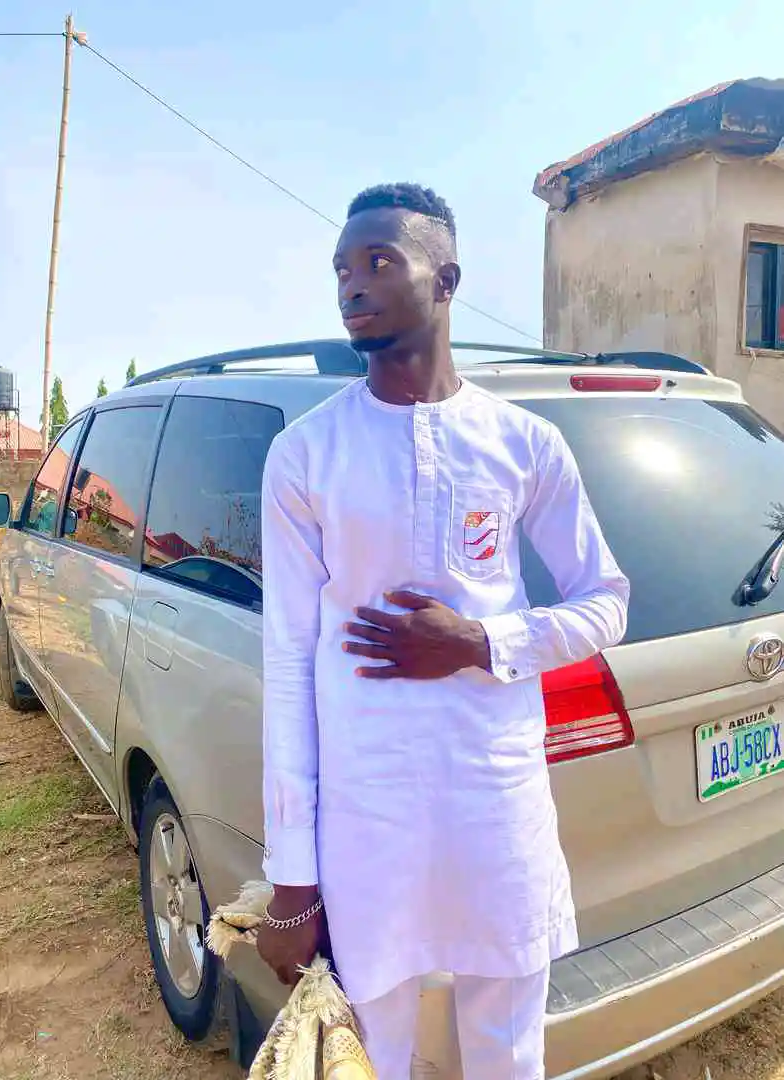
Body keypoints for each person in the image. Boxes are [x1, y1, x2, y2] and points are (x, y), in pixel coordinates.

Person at [257, 183, 629, 1080]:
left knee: (508, 1049)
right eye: (342, 269)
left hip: (495, 798)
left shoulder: (523, 443)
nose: (352, 284)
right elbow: (290, 661)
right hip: (366, 813)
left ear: (447, 279)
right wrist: (292, 876)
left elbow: (606, 601)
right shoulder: (306, 453)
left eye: (379, 261)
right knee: (368, 1050)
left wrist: (481, 644)